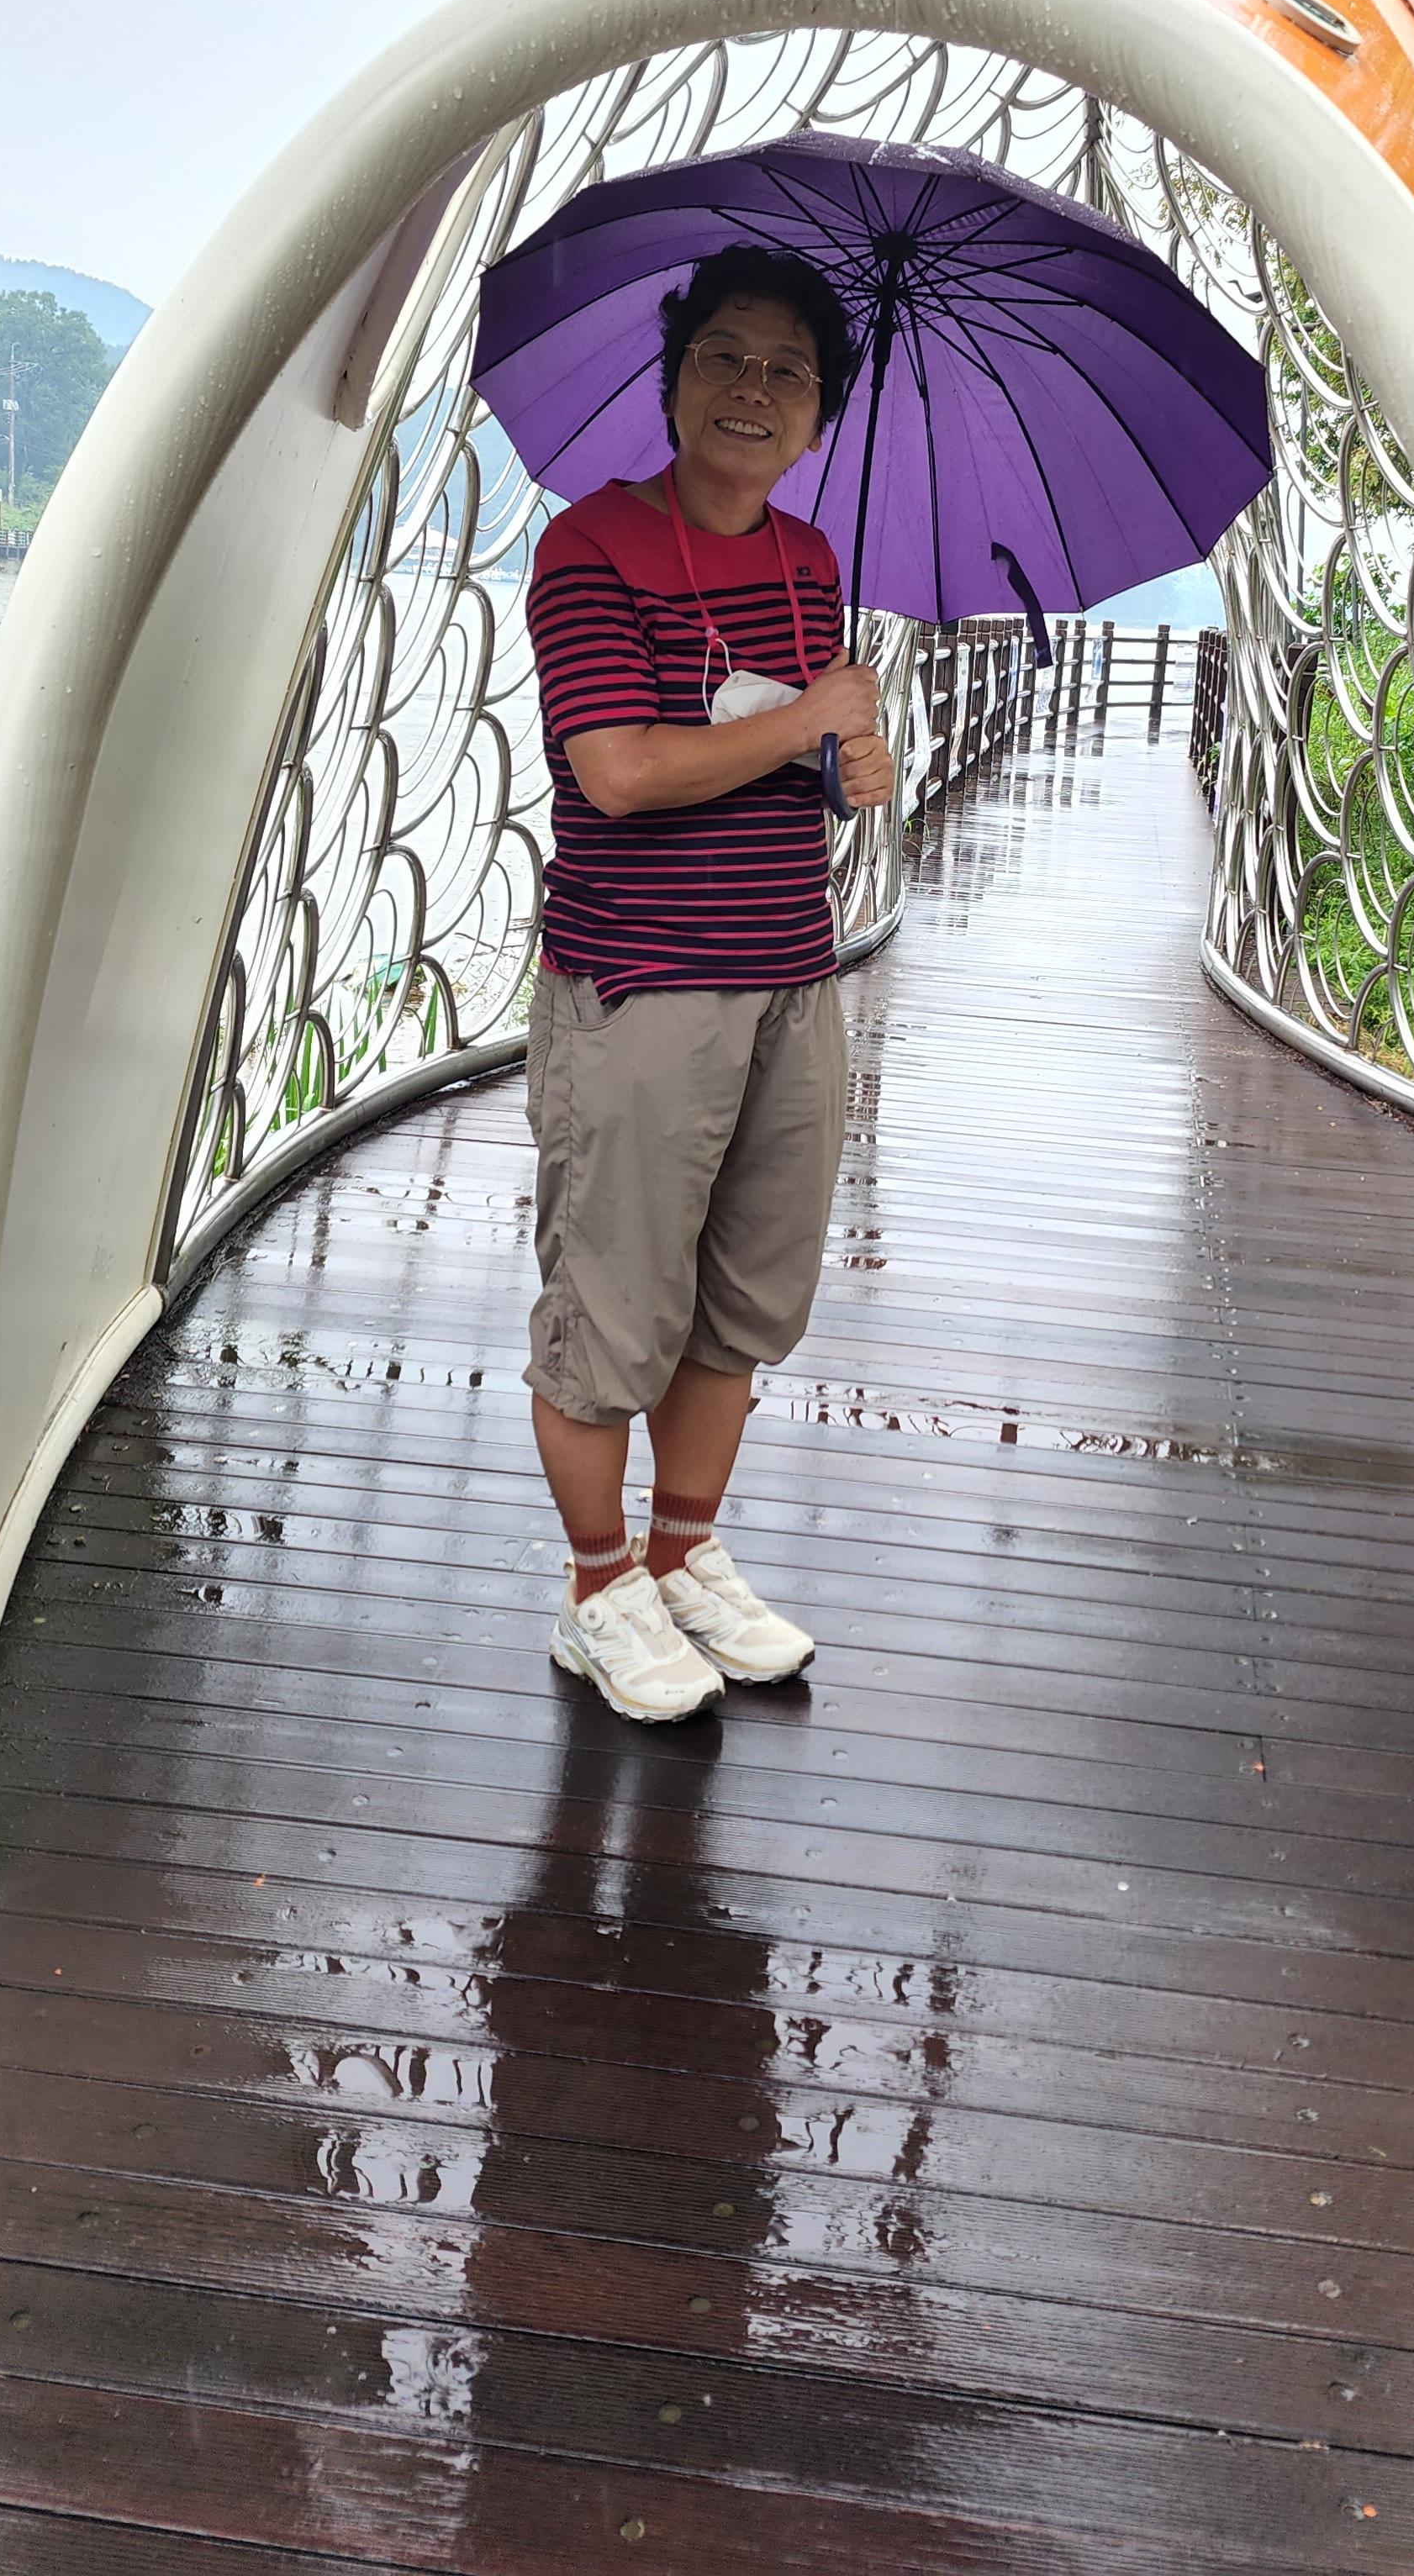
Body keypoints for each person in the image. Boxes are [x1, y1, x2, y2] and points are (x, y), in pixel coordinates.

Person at [521, 244, 893, 1722]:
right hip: (644, 984)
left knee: (744, 1299)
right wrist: (807, 719)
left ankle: (681, 1557)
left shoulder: (810, 561)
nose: (755, 388)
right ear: (673, 380)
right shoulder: (591, 546)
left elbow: (798, 757)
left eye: (790, 371)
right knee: (611, 1306)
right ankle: (596, 1589)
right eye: (725, 356)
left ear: (821, 417)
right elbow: (618, 772)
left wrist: (854, 759)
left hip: (791, 973)